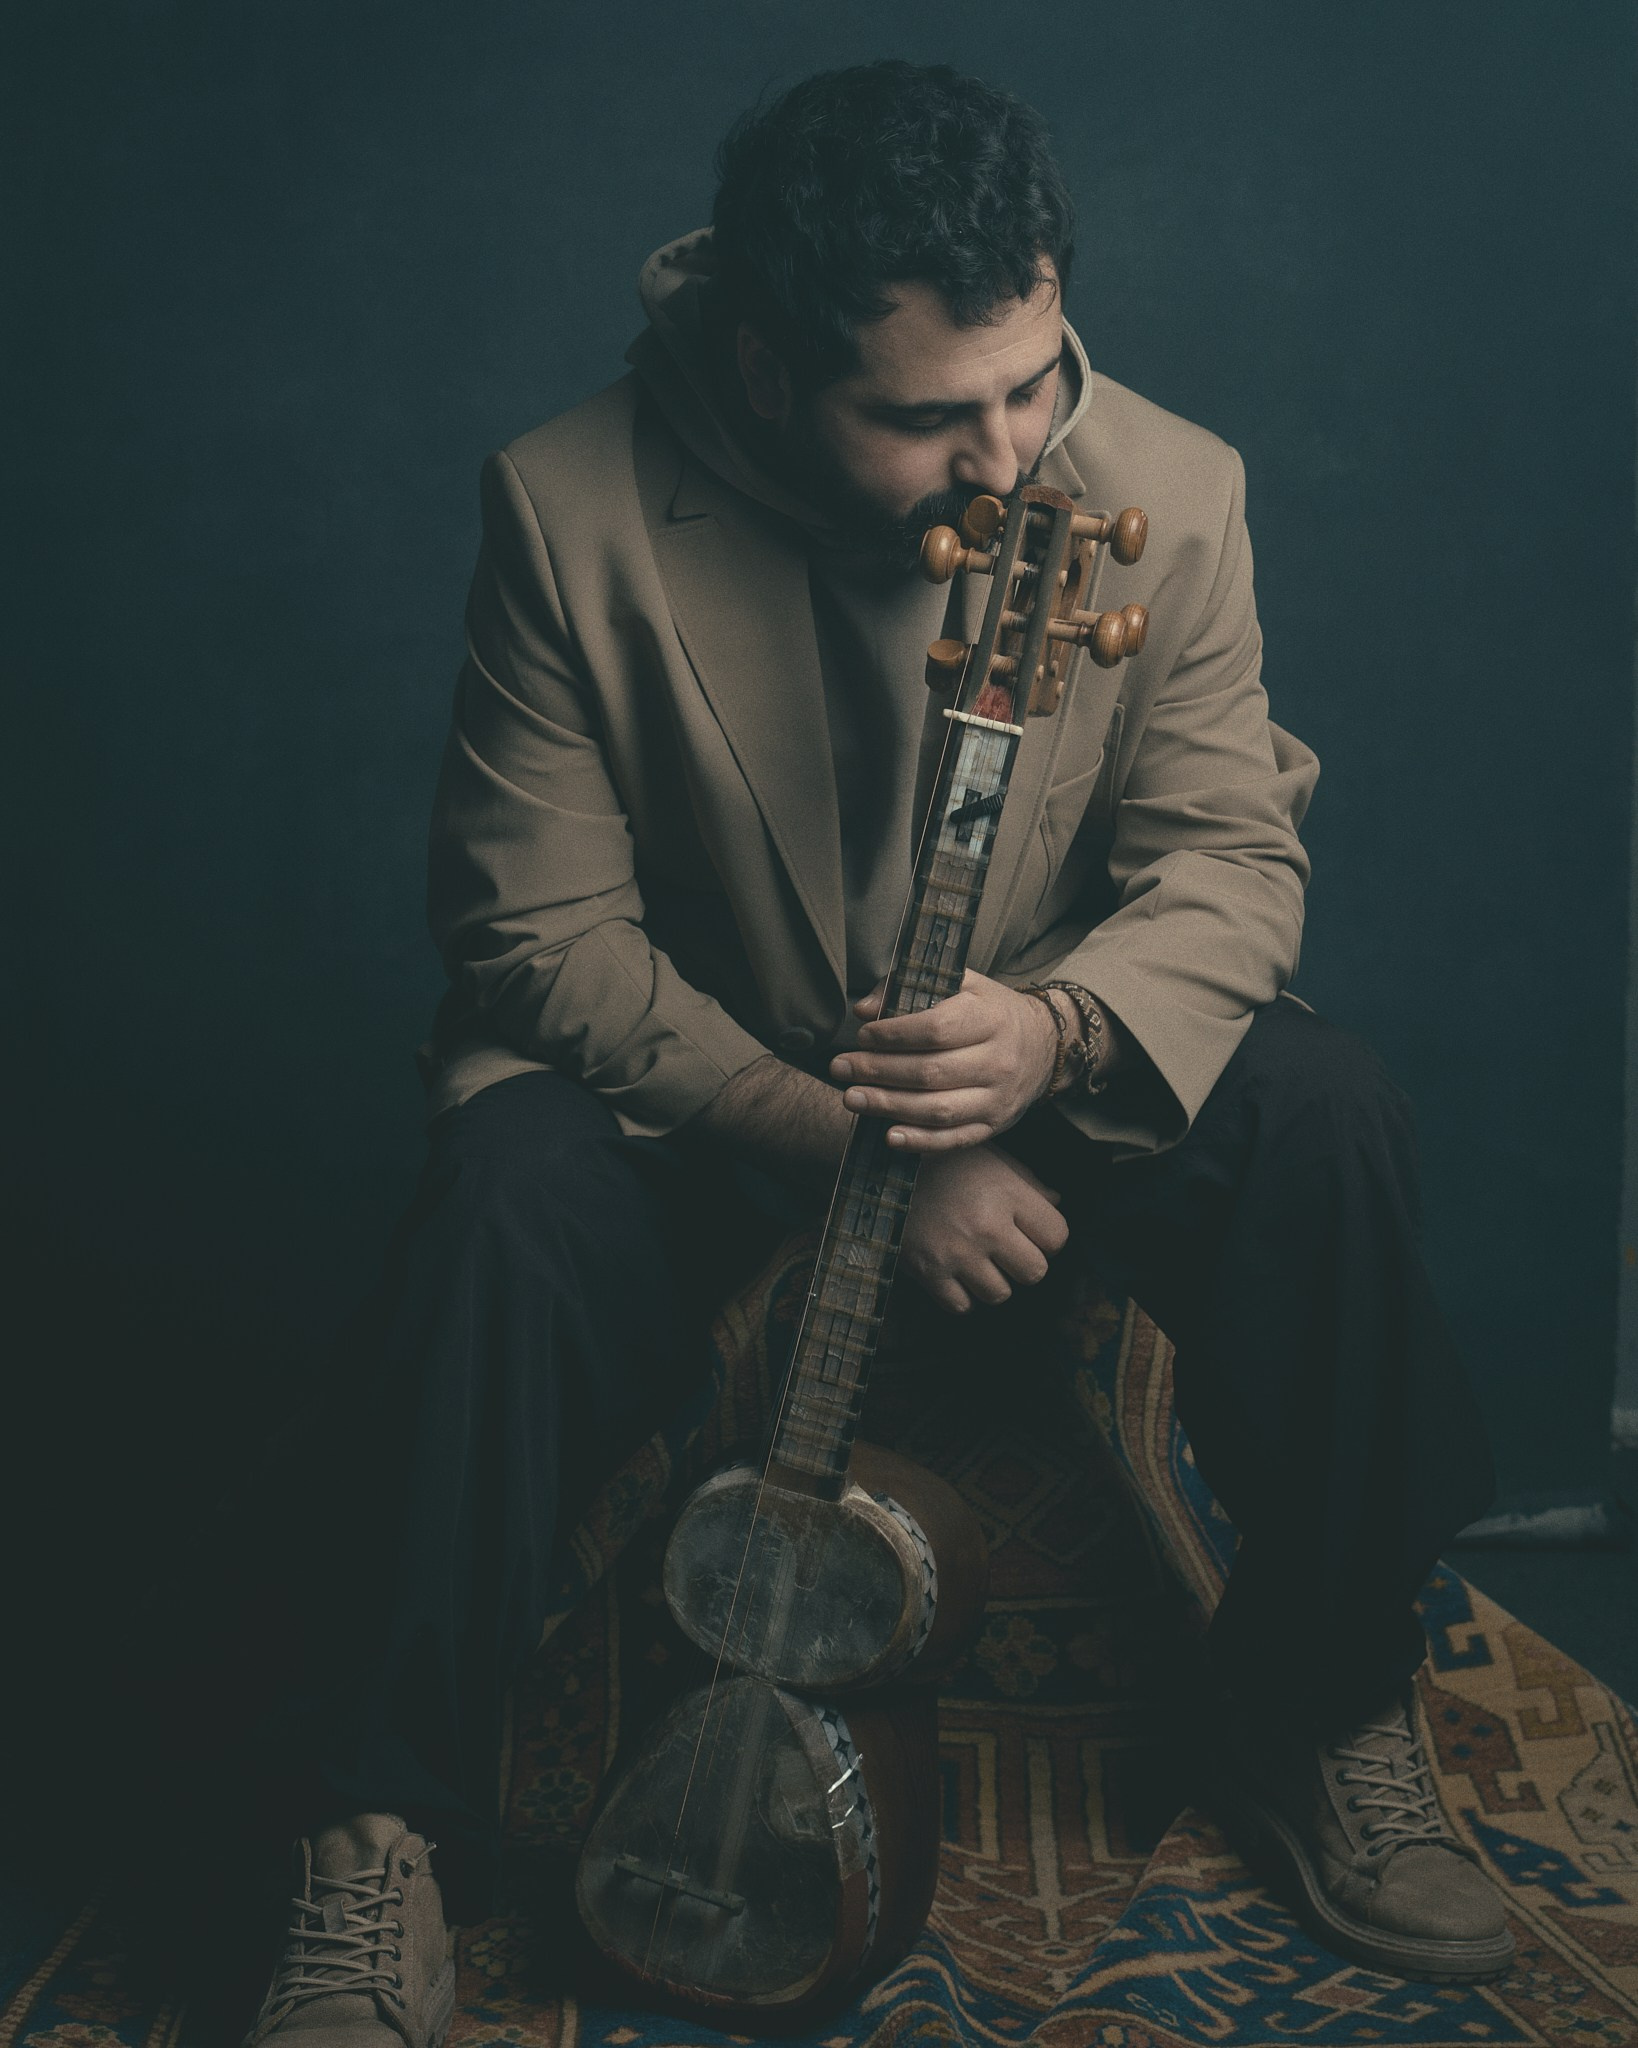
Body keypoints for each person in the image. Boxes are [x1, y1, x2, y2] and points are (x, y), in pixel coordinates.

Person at [241, 59, 1511, 2047]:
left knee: (1328, 1111)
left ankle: (1317, 1704)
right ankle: (376, 1821)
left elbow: (1228, 860)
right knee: (501, 1194)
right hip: (711, 1088)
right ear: (767, 369)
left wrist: (1059, 1034)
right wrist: (867, 1148)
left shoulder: (1167, 487)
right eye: (931, 416)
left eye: (1034, 379)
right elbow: (535, 933)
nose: (1013, 455)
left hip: (1033, 1066)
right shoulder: (569, 508)